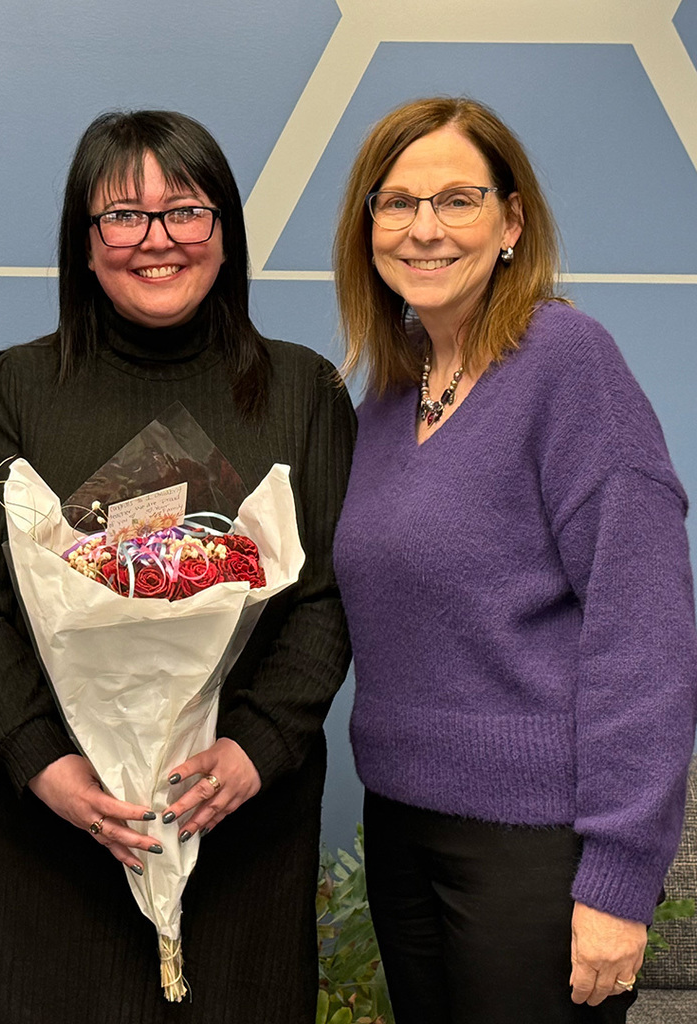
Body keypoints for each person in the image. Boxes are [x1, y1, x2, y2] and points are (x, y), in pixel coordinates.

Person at [0, 109, 357, 1022]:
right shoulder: (7, 393)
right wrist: (43, 763)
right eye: (121, 216)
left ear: (225, 233)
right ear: (84, 246)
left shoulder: (304, 393)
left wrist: (257, 748)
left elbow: (327, 597)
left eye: (186, 211)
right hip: (48, 843)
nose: (156, 240)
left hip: (239, 824)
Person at [332, 95, 697, 1024]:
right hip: (402, 828)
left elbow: (644, 630)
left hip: (535, 849)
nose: (423, 229)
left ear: (512, 221)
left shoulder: (567, 363)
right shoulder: (384, 401)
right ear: (366, 224)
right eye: (396, 202)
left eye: (457, 199)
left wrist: (620, 876)